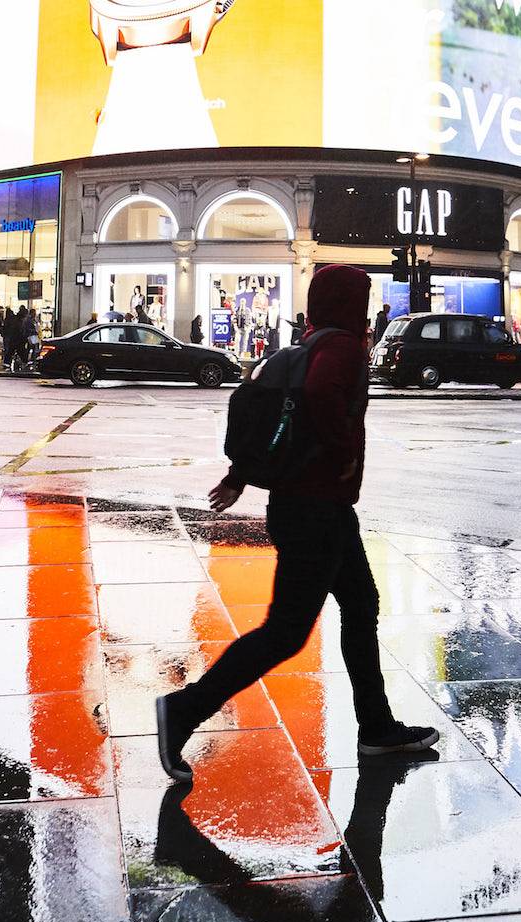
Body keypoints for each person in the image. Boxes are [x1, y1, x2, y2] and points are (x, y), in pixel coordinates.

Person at [154, 264, 439, 783]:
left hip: (312, 507)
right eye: (364, 297)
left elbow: (281, 414)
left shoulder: (304, 345)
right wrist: (344, 451)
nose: (370, 306)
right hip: (317, 511)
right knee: (286, 633)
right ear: (348, 302)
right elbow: (317, 398)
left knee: (362, 606)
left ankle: (376, 728)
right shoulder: (343, 348)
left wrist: (241, 475)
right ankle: (184, 710)